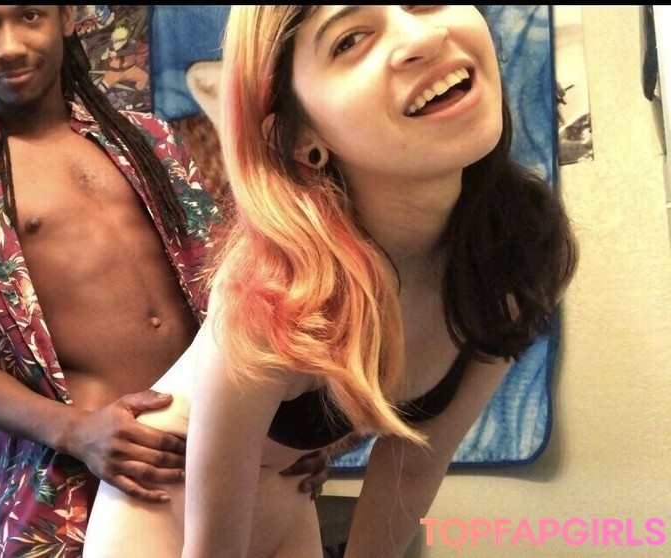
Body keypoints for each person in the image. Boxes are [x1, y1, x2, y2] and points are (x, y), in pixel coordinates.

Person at [83, 5, 577, 558]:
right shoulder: (273, 290)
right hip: (164, 496)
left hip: (288, 491)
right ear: (300, 136)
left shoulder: (515, 257)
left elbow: (415, 464)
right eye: (349, 40)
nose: (423, 36)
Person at [0, 6, 329, 557]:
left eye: (30, 15)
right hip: (77, 479)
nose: (10, 46)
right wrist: (77, 432)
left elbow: (236, 291)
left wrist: (291, 426)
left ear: (66, 17)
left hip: (222, 451)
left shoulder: (151, 139)